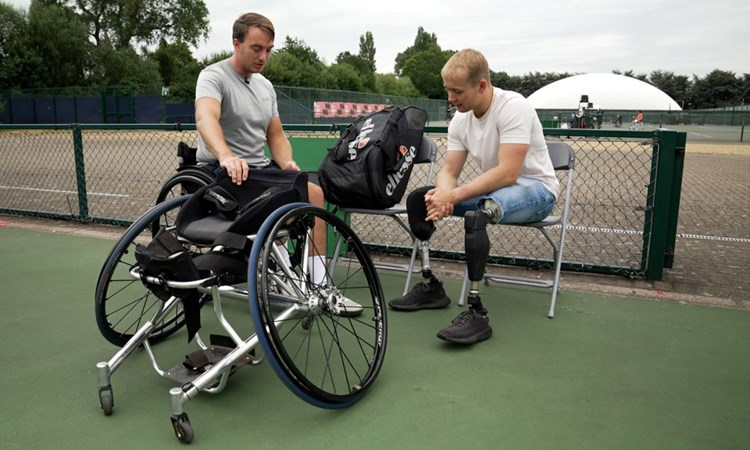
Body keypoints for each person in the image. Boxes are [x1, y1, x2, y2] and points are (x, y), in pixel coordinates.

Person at [388, 49, 560, 344]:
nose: (451, 98)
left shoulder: (513, 107)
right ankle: (431, 286)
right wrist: (442, 194)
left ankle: (477, 311)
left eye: (457, 91)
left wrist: (453, 195)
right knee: (421, 198)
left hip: (536, 191)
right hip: (493, 191)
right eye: (448, 91)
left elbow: (508, 172)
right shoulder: (460, 119)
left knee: (480, 211)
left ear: (481, 85)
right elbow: (450, 170)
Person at [194, 12, 361, 315]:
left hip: (259, 171)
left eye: (269, 50)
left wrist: (287, 163)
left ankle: (319, 285)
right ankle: (285, 273)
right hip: (223, 173)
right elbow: (206, 118)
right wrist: (226, 155)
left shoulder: (265, 86)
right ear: (236, 43)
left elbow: (275, 134)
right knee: (278, 203)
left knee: (313, 194)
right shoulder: (213, 76)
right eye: (257, 48)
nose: (263, 56)